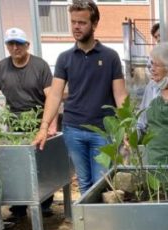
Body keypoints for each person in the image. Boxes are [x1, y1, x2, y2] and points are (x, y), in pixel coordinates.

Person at [33, 0, 127, 194]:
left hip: (102, 131)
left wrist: (126, 127)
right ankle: (90, 224)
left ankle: (101, 223)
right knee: (84, 183)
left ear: (94, 24)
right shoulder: (64, 58)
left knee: (101, 183)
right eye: (73, 22)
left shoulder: (110, 57)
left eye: (82, 22)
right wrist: (44, 127)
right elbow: (55, 95)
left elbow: (120, 95)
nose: (76, 26)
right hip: (73, 129)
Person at [0, 27, 56, 219]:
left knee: (42, 165)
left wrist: (50, 125)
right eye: (11, 44)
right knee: (15, 166)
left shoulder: (39, 66)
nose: (15, 47)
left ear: (27, 45)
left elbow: (51, 96)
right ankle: (18, 207)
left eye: (19, 43)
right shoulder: (1, 67)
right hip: (14, 124)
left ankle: (44, 204)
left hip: (38, 121)